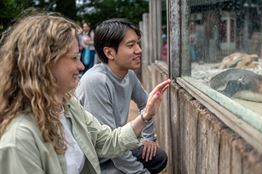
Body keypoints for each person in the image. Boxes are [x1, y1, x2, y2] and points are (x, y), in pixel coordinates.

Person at [0, 14, 171, 174]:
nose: (82, 67)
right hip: (106, 164)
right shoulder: (19, 141)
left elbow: (107, 141)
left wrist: (146, 115)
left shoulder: (67, 105)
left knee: (157, 158)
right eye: (74, 58)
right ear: (45, 63)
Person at [75, 18, 167, 174]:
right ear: (109, 52)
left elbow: (146, 104)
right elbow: (110, 146)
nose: (139, 50)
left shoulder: (128, 75)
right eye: (131, 45)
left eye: (138, 43)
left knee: (158, 158)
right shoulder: (95, 82)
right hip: (97, 161)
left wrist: (149, 138)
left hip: (118, 145)